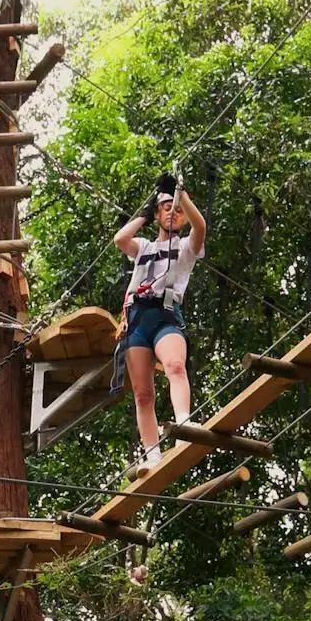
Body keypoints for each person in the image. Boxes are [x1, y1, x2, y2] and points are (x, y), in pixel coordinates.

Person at [113, 175, 207, 474]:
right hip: (138, 320)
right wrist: (146, 211)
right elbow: (119, 240)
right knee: (143, 394)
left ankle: (183, 423)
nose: (172, 212)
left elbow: (200, 226)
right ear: (156, 214)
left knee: (175, 366)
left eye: (177, 210)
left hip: (166, 316)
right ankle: (152, 453)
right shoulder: (143, 247)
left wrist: (182, 196)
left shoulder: (187, 247)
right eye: (166, 208)